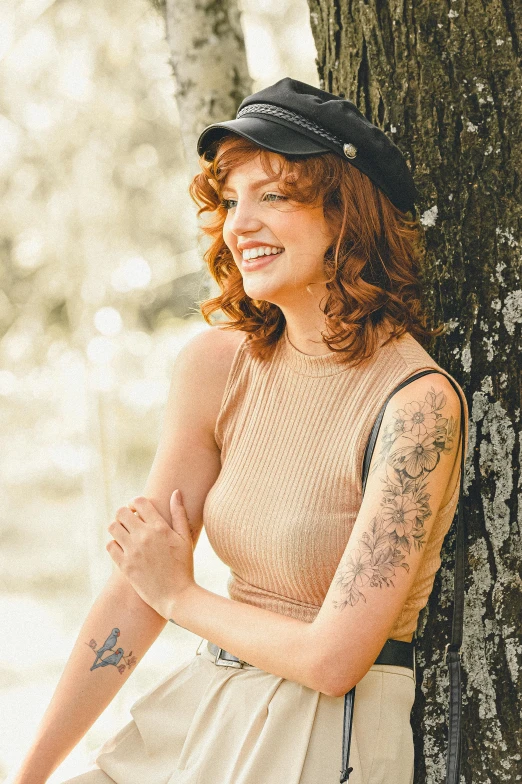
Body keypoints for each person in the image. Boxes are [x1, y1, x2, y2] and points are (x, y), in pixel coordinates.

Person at [12, 78, 469, 784]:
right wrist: (31, 773)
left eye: (274, 196)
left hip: (324, 736)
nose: (239, 224)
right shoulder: (216, 367)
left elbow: (333, 660)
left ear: (347, 215)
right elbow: (140, 587)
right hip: (205, 703)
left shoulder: (416, 405)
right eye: (231, 200)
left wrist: (182, 597)